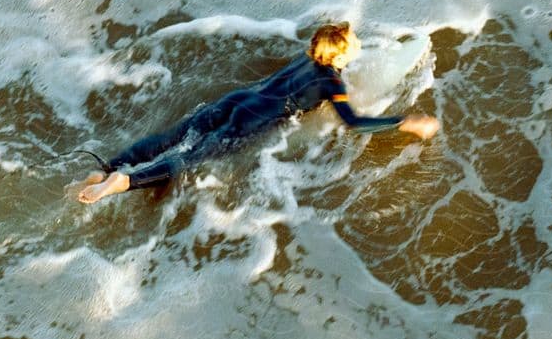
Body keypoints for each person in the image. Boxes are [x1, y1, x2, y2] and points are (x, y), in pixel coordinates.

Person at [76, 21, 440, 203]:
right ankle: (124, 181)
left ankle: (107, 168)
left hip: (236, 101)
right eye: (354, 45)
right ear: (340, 55)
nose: (358, 46)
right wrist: (404, 123)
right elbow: (355, 124)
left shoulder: (306, 58)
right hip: (251, 121)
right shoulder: (332, 82)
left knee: (174, 136)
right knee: (190, 157)